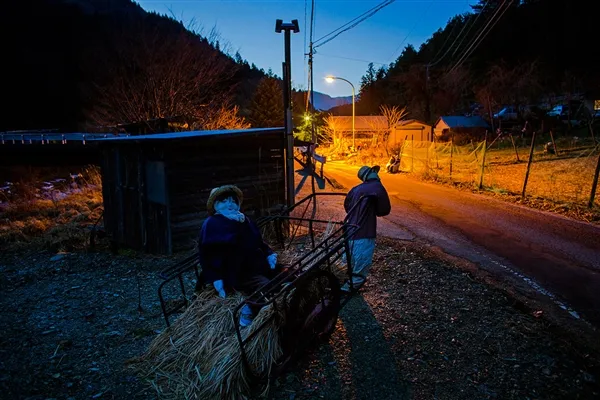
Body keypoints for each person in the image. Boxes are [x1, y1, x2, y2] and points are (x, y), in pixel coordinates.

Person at [197, 185, 280, 327]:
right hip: (236, 271)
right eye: (224, 201)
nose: (230, 204)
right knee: (265, 285)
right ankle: (249, 308)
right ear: (216, 205)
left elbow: (258, 241)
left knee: (283, 272)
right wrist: (216, 277)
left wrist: (268, 253)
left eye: (233, 201)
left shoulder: (243, 220)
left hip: (256, 264)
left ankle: (290, 286)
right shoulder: (212, 224)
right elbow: (207, 255)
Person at [342, 165, 391, 292]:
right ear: (373, 173)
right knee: (361, 263)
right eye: (375, 172)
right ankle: (349, 288)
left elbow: (347, 206)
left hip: (349, 229)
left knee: (348, 259)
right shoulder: (378, 187)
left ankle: (342, 282)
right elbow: (384, 210)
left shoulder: (355, 189)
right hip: (365, 230)